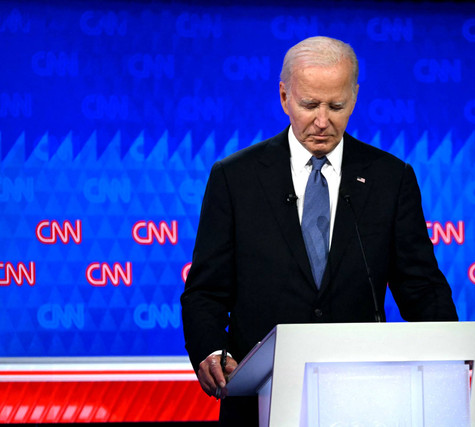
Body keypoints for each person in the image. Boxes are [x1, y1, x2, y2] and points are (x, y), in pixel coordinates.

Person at [181, 36, 458, 425]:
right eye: (310, 104)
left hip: (362, 398)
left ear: (355, 97)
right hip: (262, 401)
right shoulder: (234, 178)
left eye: (337, 105)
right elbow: (205, 292)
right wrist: (211, 350)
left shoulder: (390, 178)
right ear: (284, 97)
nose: (323, 121)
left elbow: (422, 288)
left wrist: (452, 361)